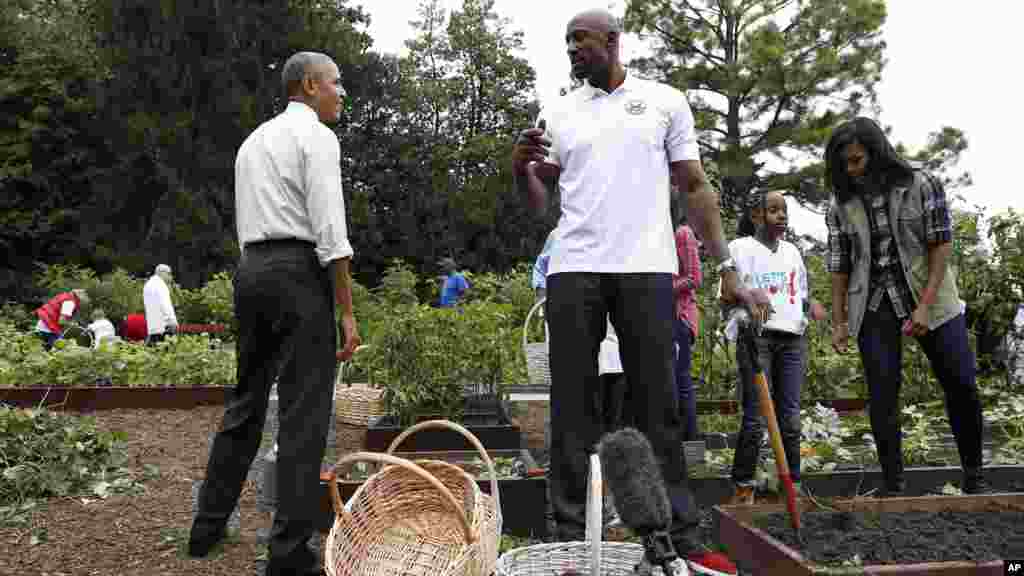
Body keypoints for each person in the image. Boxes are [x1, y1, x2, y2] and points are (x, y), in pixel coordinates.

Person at [511, 9, 752, 574]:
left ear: (613, 42)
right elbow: (538, 203)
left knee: (657, 404)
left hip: (646, 268)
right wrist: (520, 169)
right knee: (572, 404)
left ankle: (680, 536)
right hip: (574, 269)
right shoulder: (559, 110)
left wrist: (727, 265)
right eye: (566, 40)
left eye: (582, 39)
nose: (572, 49)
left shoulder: (664, 101)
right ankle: (568, 536)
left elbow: (694, 185)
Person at [188, 51, 361, 576]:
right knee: (304, 416)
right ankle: (287, 555)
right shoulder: (318, 138)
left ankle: (205, 531)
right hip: (297, 273)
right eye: (336, 82)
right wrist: (347, 313)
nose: (342, 92)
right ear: (309, 85)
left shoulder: (252, 143)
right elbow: (331, 233)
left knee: (245, 402)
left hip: (252, 272)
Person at [825, 117, 988, 496]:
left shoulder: (921, 183)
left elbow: (940, 246)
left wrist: (924, 308)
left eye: (857, 160)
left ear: (877, 153)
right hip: (875, 299)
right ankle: (893, 485)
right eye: (844, 164)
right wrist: (839, 321)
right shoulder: (841, 203)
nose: (851, 170)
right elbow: (840, 265)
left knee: (961, 382)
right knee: (882, 393)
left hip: (929, 295)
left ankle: (975, 476)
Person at [720, 190, 826, 504]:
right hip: (757, 339)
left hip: (792, 341)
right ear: (756, 216)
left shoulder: (792, 251)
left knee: (790, 419)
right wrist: (747, 296)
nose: (782, 215)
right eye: (774, 210)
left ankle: (791, 486)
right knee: (755, 418)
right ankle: (743, 486)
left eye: (784, 210)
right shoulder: (739, 249)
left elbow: (799, 294)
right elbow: (726, 297)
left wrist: (811, 306)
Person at [673, 212, 703, 442]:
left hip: (679, 316)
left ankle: (690, 444)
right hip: (663, 318)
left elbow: (694, 278)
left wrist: (658, 287)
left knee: (681, 382)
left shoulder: (683, 233)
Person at [143, 264, 178, 345]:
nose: (170, 277)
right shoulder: (161, 285)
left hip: (152, 327)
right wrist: (172, 321)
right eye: (169, 274)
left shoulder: (148, 285)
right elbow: (165, 304)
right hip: (165, 327)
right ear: (162, 273)